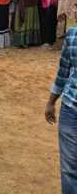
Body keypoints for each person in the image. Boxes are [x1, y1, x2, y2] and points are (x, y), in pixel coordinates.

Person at [45, 26, 77, 193]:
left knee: (70, 171)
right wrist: (51, 101)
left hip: (70, 110)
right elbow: (63, 72)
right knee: (69, 170)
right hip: (71, 109)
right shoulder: (73, 35)